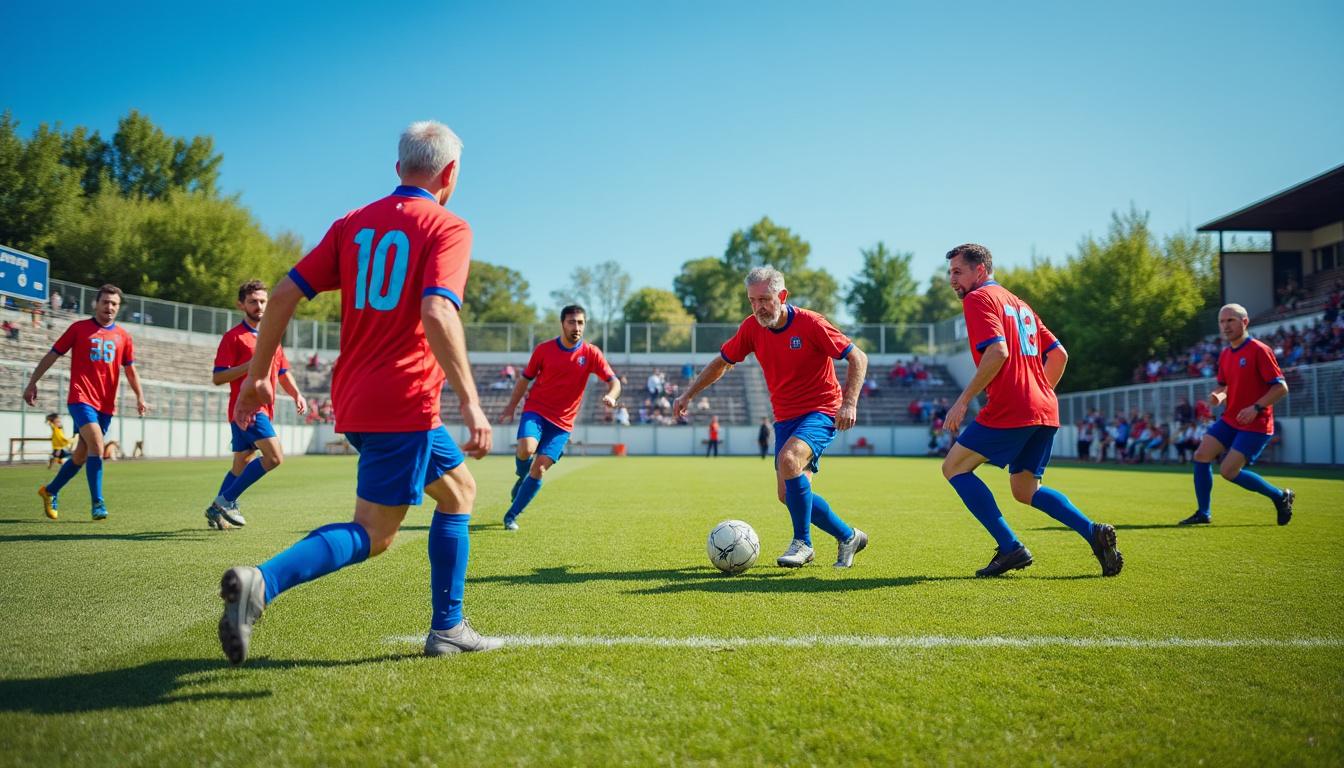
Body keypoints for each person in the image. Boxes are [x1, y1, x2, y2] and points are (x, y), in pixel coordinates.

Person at [217, 120, 499, 665]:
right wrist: (468, 398)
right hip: (404, 400)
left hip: (356, 397)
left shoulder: (353, 224)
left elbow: (281, 295)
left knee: (459, 490)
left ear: (398, 169)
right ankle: (262, 583)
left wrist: (255, 375)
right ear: (451, 173)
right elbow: (438, 309)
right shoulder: (448, 227)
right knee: (375, 532)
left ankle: (449, 627)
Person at [939, 244, 1121, 578]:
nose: (951, 279)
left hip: (1014, 407)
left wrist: (963, 400)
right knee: (1025, 490)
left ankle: (1010, 547)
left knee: (954, 467)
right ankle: (1092, 531)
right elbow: (1060, 355)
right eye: (949, 272)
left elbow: (997, 352)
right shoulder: (1020, 304)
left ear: (980, 271)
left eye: (957, 271)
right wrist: (1037, 393)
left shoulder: (979, 299)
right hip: (1045, 408)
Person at [673, 266, 870, 568]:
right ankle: (848, 536)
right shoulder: (752, 328)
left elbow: (858, 356)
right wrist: (688, 394)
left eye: (764, 299)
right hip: (785, 418)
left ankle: (803, 543)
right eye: (752, 300)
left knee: (789, 461)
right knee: (787, 495)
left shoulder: (810, 323)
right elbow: (722, 363)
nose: (758, 307)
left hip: (821, 410)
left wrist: (850, 403)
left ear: (782, 295)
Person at [26, 284, 149, 520]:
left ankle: (50, 491)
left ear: (118, 307)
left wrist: (140, 397)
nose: (109, 307)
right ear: (96, 303)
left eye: (114, 303)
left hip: (106, 405)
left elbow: (131, 370)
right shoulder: (78, 329)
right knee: (98, 446)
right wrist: (32, 382)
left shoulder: (123, 336)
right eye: (105, 302)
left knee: (81, 455)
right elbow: (52, 355)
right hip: (80, 399)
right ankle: (98, 503)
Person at [498, 304, 620, 530]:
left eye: (581, 322)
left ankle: (511, 516)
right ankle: (521, 475)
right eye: (572, 322)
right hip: (536, 411)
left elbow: (614, 381)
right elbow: (525, 379)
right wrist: (511, 406)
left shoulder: (591, 353)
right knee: (526, 449)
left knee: (540, 468)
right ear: (562, 323)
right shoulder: (544, 350)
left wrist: (612, 396)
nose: (577, 327)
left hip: (562, 424)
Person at [204, 280, 307, 530]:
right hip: (247, 411)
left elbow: (282, 371)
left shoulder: (272, 335)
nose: (259, 305)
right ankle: (225, 500)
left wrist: (296, 394)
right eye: (253, 301)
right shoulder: (233, 337)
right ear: (241, 304)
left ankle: (215, 510)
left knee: (241, 463)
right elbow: (218, 377)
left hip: (263, 410)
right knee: (274, 457)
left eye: (262, 301)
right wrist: (248, 367)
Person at [1180, 303, 1295, 526]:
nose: (1225, 326)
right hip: (1231, 418)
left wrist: (1256, 408)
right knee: (1201, 455)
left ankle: (1280, 496)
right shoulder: (1225, 354)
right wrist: (1217, 397)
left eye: (1230, 320)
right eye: (1222, 321)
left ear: (1245, 322)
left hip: (1257, 422)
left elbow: (1281, 388)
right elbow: (1224, 386)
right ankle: (1204, 513)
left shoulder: (1259, 350)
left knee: (1228, 471)